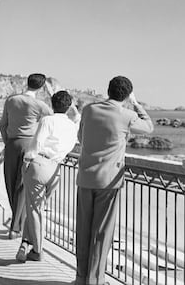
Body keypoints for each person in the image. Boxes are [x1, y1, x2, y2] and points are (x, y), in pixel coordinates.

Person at [74, 76, 154, 285]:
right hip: (108, 182)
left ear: (108, 91)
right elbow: (148, 128)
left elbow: (81, 138)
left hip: (85, 178)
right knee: (101, 233)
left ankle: (80, 278)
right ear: (127, 95)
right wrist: (136, 104)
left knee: (83, 230)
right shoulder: (127, 115)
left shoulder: (89, 110)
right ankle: (95, 281)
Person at [16, 90, 79, 263]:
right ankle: (25, 243)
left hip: (39, 164)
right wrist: (72, 107)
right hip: (55, 170)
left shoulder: (47, 120)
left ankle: (37, 250)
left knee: (35, 210)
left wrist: (26, 163)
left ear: (51, 104)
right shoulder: (73, 126)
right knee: (37, 208)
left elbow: (36, 143)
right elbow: (77, 117)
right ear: (68, 107)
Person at [0, 73, 52, 239]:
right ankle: (15, 228)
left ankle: (15, 223)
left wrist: (8, 142)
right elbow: (53, 120)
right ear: (41, 87)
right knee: (21, 186)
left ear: (26, 83)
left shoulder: (11, 100)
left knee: (9, 183)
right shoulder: (40, 105)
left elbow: (3, 126)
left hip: (12, 145)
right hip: (29, 146)